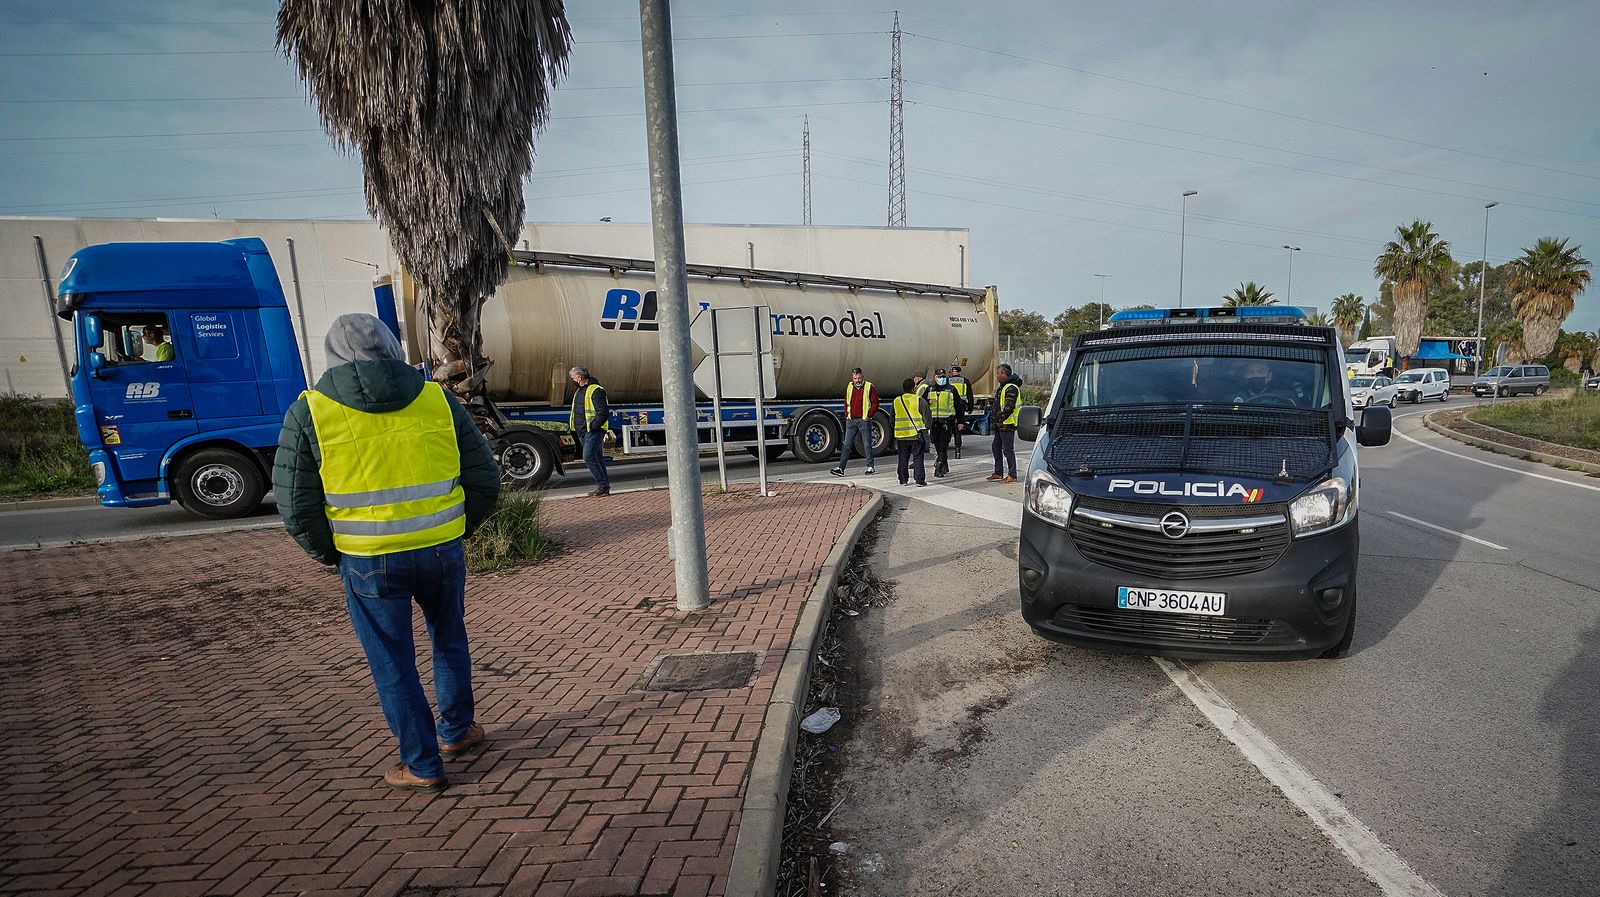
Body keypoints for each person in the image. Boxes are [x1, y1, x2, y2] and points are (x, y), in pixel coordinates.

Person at [274, 314, 501, 794]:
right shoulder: (438, 399)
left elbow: (296, 504)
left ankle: (420, 763)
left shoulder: (310, 411)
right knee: (449, 641)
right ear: (395, 350)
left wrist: (332, 553)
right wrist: (455, 530)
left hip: (368, 560)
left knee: (393, 661)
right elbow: (484, 479)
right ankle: (456, 733)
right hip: (440, 551)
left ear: (332, 355)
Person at [569, 366, 611, 497]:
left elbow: (603, 412)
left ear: (580, 377)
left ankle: (602, 485)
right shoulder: (579, 391)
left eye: (573, 378)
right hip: (582, 431)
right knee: (597, 458)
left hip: (593, 431)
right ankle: (604, 486)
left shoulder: (596, 390)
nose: (572, 380)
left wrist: (593, 426)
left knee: (588, 457)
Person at [831, 368, 878, 477]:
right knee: (847, 445)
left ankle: (870, 467)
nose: (857, 380)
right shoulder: (850, 386)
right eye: (855, 378)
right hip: (851, 420)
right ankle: (841, 469)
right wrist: (847, 415)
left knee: (867, 444)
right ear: (852, 378)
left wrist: (868, 416)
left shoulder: (869, 387)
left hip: (863, 419)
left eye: (859, 377)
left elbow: (875, 403)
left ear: (862, 376)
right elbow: (846, 402)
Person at [925, 368, 967, 478]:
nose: (942, 379)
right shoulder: (930, 389)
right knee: (937, 446)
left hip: (947, 423)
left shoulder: (951, 389)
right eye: (939, 377)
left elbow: (958, 407)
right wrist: (929, 401)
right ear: (935, 377)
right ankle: (945, 464)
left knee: (943, 446)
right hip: (934, 422)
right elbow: (922, 402)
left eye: (943, 377)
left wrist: (961, 421)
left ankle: (938, 469)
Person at [892, 377, 931, 487]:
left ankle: (903, 480)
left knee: (903, 458)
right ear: (914, 388)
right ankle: (919, 480)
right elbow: (927, 416)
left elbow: (892, 419)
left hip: (901, 436)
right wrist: (926, 428)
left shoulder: (896, 401)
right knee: (918, 457)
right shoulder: (919, 400)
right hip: (916, 435)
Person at [987, 363, 1022, 484]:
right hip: (1001, 424)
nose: (996, 376)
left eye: (998, 373)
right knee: (996, 447)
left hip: (1007, 424)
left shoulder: (1011, 387)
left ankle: (1012, 475)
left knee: (1008, 450)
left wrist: (999, 418)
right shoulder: (1003, 386)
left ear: (1003, 374)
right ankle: (998, 472)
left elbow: (1009, 407)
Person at [948, 365, 972, 458]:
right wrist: (970, 407)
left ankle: (945, 446)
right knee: (958, 428)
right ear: (960, 372)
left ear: (952, 372)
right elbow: (969, 395)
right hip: (961, 406)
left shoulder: (948, 380)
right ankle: (958, 451)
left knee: (948, 427)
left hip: (950, 406)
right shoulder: (965, 381)